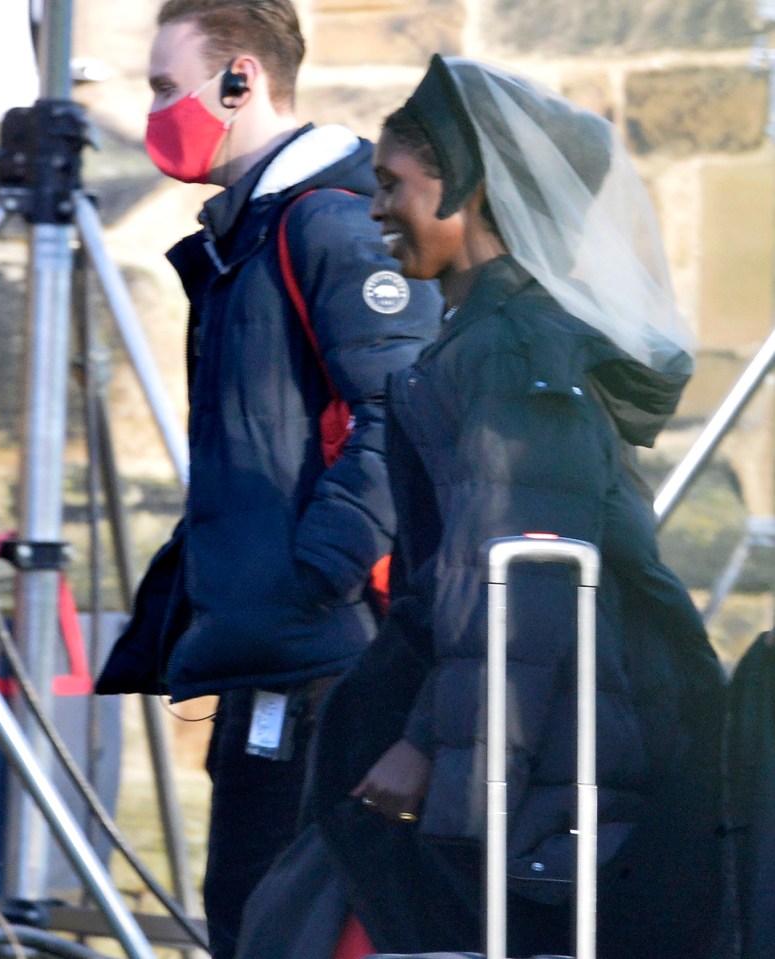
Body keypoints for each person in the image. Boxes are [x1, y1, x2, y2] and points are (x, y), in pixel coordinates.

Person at [234, 55, 729, 959]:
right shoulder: (478, 342)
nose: (375, 207)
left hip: (560, 740)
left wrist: (434, 750)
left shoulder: (514, 351)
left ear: (470, 188)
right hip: (524, 724)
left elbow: (527, 579)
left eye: (394, 185)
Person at [94, 4, 442, 958]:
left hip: (321, 650)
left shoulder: (329, 221)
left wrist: (310, 572)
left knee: (279, 922)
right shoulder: (244, 233)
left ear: (240, 80)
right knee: (249, 916)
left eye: (168, 87)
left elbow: (397, 413)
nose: (157, 109)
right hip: (269, 649)